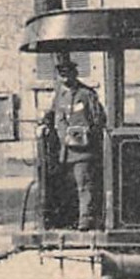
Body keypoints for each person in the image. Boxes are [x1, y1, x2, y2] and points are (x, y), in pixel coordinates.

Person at [47, 57, 105, 230]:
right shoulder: (60, 95)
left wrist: (84, 133)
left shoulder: (87, 94)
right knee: (69, 188)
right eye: (61, 75)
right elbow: (53, 116)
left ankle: (85, 222)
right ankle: (71, 219)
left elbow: (99, 119)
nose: (65, 79)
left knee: (84, 185)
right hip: (65, 152)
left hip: (83, 152)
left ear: (75, 74)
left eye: (68, 74)